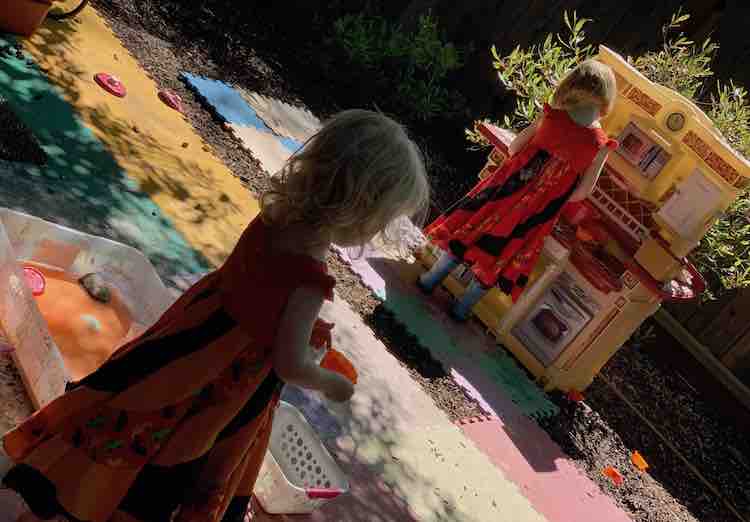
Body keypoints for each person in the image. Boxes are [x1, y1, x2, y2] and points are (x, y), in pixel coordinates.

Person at [2, 110, 429, 522]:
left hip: (185, 342)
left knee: (126, 410)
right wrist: (328, 382)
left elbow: (255, 291)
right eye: (379, 223)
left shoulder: (272, 219)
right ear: (356, 210)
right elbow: (289, 363)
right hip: (222, 385)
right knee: (176, 458)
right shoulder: (311, 279)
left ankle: (57, 493)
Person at [418, 59, 618, 321]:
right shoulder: (601, 144)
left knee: (473, 230)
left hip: (503, 193)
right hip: (536, 214)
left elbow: (514, 147)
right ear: (606, 98)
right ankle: (462, 308)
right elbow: (583, 192)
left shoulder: (552, 115)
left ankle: (432, 279)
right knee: (505, 254)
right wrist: (551, 192)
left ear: (572, 83)